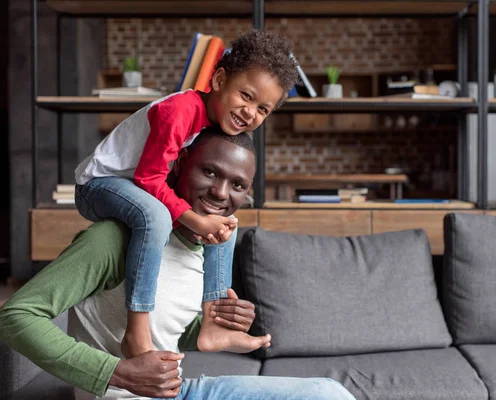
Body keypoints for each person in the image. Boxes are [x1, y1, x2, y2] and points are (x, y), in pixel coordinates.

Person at [0, 129, 356, 400]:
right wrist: (118, 373)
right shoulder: (112, 239)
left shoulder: (206, 247)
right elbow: (16, 316)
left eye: (237, 185)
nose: (221, 193)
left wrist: (210, 329)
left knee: (330, 393)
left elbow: (162, 330)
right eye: (211, 172)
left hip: (179, 393)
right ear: (182, 163)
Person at [73, 29, 299, 359]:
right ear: (220, 80)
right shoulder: (179, 112)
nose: (251, 113)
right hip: (98, 185)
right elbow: (149, 179)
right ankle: (137, 331)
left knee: (225, 221)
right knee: (154, 216)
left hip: (135, 187)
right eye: (246, 96)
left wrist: (211, 224)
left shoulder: (214, 125)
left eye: (263, 109)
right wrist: (193, 219)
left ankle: (213, 322)